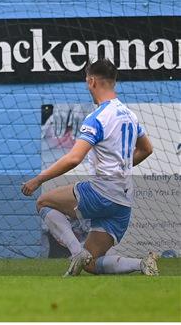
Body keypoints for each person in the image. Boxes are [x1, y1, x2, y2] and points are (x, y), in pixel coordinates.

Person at [21, 59, 158, 276]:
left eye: (87, 81)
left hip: (102, 192)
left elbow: (74, 158)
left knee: (43, 201)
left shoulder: (97, 117)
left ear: (92, 81)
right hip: (123, 201)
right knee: (92, 264)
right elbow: (147, 149)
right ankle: (141, 264)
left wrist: (38, 179)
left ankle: (76, 252)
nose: (87, 86)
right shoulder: (130, 116)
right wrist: (121, 167)